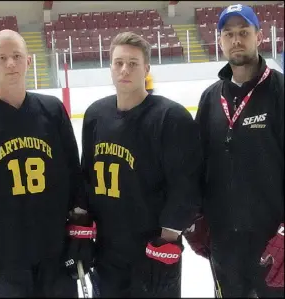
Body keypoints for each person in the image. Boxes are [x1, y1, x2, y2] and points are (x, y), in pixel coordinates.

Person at [0, 29, 91, 297]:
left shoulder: (52, 109)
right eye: (2, 58)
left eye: (16, 56)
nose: (10, 63)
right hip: (1, 257)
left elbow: (73, 172)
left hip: (54, 251)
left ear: (29, 61)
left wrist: (79, 231)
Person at [80, 31, 203, 297]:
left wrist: (167, 241)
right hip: (106, 251)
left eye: (133, 63)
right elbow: (86, 177)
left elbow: (186, 184)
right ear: (110, 67)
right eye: (118, 62)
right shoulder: (94, 115)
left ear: (146, 68)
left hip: (152, 248)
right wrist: (83, 230)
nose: (125, 69)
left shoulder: (170, 117)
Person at [184, 4, 284, 297]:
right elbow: (197, 165)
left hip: (273, 244)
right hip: (225, 244)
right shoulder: (210, 97)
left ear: (259, 36)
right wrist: (197, 218)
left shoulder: (280, 92)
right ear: (219, 41)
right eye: (228, 34)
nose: (236, 40)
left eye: (244, 32)